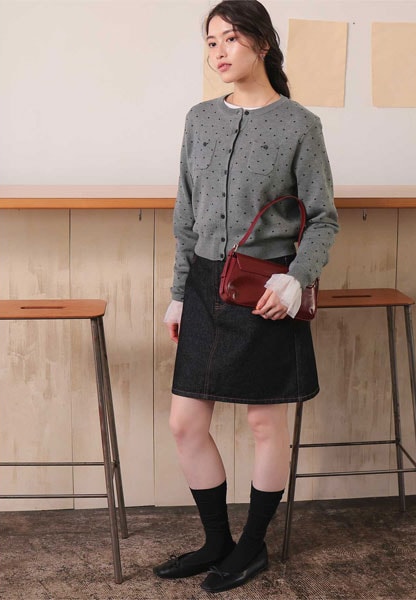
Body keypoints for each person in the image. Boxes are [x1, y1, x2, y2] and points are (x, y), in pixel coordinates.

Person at [153, 0, 339, 593]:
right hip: (204, 285)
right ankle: (218, 542)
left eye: (231, 38)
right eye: (211, 42)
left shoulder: (300, 125)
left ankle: (253, 546)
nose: (220, 52)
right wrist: (179, 292)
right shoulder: (199, 119)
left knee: (264, 422)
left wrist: (296, 279)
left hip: (265, 289)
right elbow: (186, 217)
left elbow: (324, 219)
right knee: (185, 423)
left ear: (262, 42)